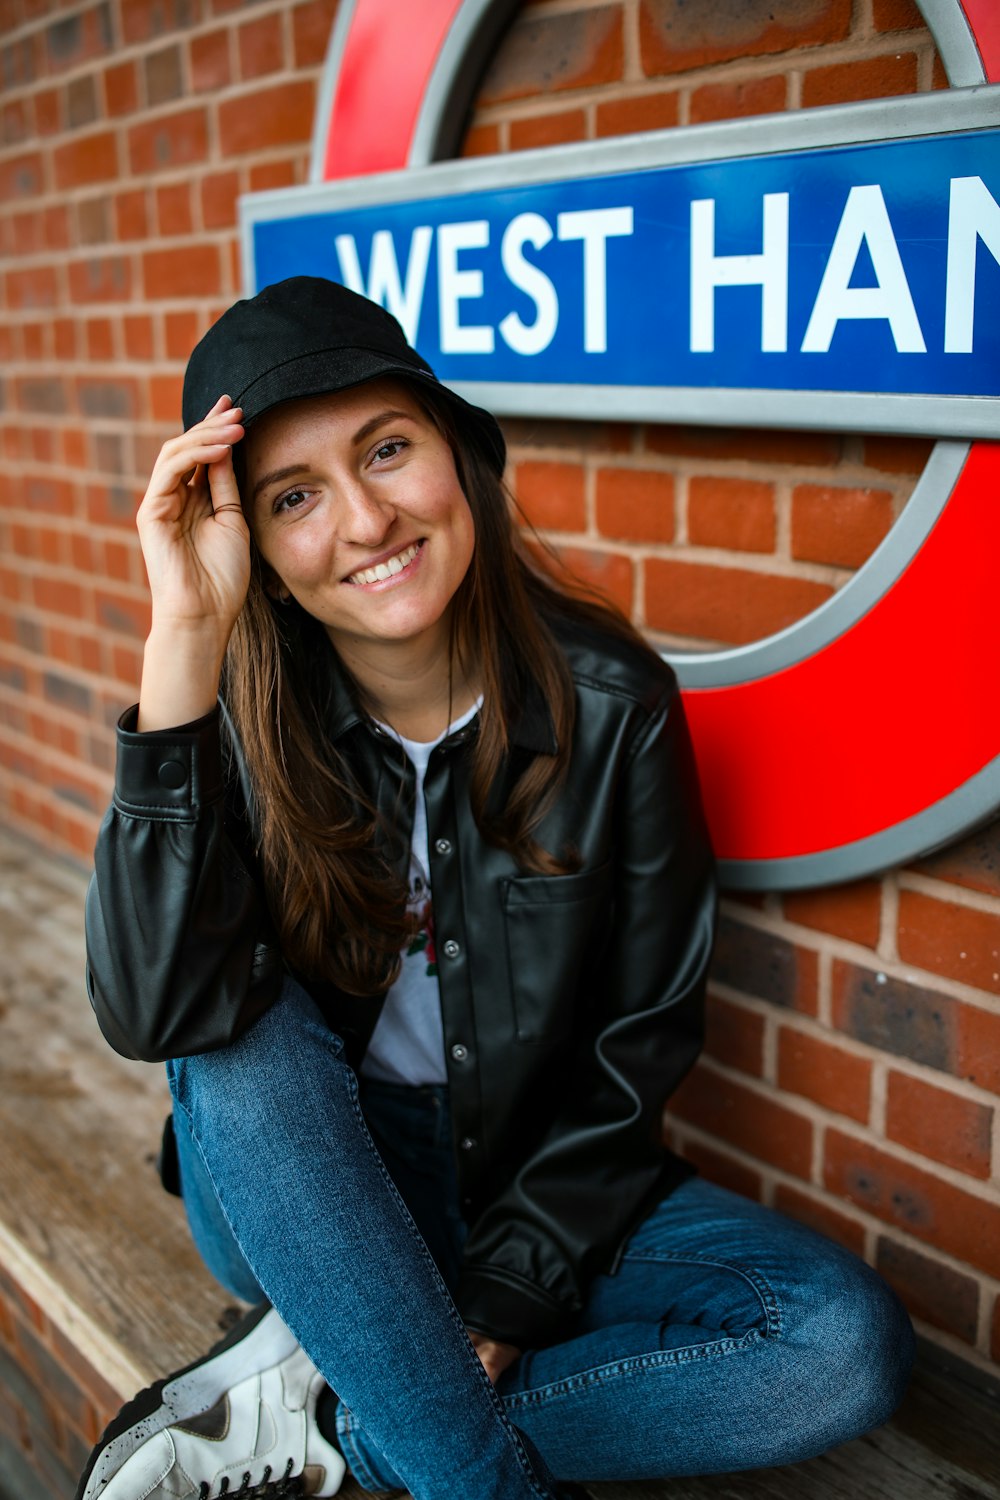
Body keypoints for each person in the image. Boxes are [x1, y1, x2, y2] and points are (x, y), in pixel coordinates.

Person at [78, 277, 914, 1500]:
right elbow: (155, 1017)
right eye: (295, 497)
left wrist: (513, 1283)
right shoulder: (237, 726)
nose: (364, 519)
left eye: (387, 450)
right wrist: (182, 645)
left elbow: (637, 1044)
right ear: (249, 542)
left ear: (456, 455)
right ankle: (444, 1445)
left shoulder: (615, 705)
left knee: (836, 1346)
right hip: (311, 1173)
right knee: (233, 1035)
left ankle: (339, 1426)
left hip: (538, 1173)